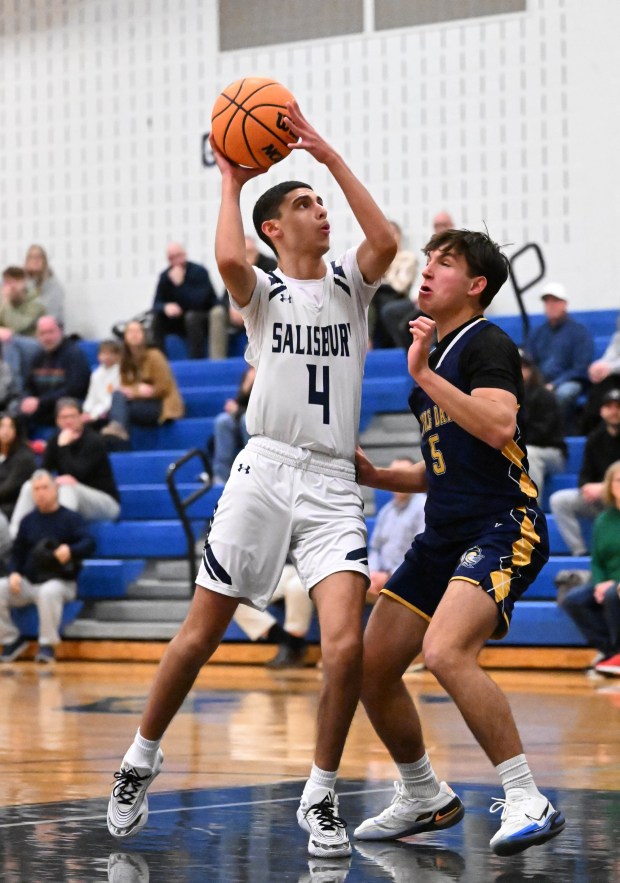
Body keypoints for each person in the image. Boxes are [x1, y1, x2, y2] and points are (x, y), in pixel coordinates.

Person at [106, 100, 398, 858]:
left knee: (344, 648)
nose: (320, 211)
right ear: (275, 226)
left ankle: (321, 792)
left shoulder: (349, 288)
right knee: (201, 631)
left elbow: (389, 240)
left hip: (333, 482)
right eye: (305, 203)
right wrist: (232, 179)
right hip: (264, 471)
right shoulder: (263, 291)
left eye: (321, 202)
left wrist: (329, 157)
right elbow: (230, 262)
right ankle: (140, 757)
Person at [353, 227, 565, 857]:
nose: (426, 271)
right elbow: (445, 467)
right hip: (444, 530)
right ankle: (423, 794)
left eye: (444, 264)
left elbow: (499, 424)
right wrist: (382, 476)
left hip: (505, 522)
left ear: (475, 286)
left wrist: (420, 371)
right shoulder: (436, 360)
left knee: (446, 653)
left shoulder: (487, 343)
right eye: (428, 261)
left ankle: (527, 796)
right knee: (372, 668)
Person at [0, 469, 95, 664]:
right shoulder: (28, 521)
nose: (40, 493)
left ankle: (47, 646)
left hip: (61, 582)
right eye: (36, 489)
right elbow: (17, 553)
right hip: (29, 583)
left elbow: (89, 543)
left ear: (56, 489)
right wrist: (15, 573)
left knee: (48, 592)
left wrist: (71, 549)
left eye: (45, 487)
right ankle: (11, 639)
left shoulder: (71, 519)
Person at [10, 398, 121, 535]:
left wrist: (63, 447)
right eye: (64, 417)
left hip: (104, 502)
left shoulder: (94, 441)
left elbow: (77, 475)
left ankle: (56, 542)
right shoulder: (54, 440)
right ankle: (14, 538)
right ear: (57, 421)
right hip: (74, 498)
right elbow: (43, 471)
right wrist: (47, 481)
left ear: (81, 417)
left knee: (67, 489)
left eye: (72, 416)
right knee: (30, 485)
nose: (68, 421)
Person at [559, 460, 620, 676]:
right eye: (618, 481)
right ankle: (611, 651)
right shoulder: (603, 519)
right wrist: (599, 583)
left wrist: (613, 584)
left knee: (614, 594)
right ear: (609, 486)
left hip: (618, 583)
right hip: (607, 580)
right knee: (573, 600)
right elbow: (597, 560)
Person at [549, 389, 620, 556]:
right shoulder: (595, 438)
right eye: (609, 407)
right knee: (559, 500)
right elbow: (585, 473)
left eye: (618, 407)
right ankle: (580, 552)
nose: (614, 411)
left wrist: (605, 487)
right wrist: (586, 487)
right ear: (602, 411)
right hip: (600, 499)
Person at [101, 320, 185, 445]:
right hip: (139, 403)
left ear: (144, 335)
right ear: (125, 336)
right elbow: (125, 387)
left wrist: (137, 392)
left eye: (138, 331)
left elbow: (164, 387)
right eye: (130, 331)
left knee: (118, 409)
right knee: (117, 399)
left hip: (160, 404)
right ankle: (119, 436)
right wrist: (138, 391)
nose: (134, 334)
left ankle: (119, 433)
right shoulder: (125, 359)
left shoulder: (155, 355)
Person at [526, 283, 593, 429]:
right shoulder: (537, 333)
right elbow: (530, 363)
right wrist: (539, 383)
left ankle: (556, 433)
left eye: (555, 301)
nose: (551, 305)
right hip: (541, 382)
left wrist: (554, 384)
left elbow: (580, 368)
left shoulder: (579, 332)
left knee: (563, 394)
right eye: (547, 301)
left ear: (564, 304)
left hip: (569, 382)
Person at [151, 242, 227, 360]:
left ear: (184, 255)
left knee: (192, 317)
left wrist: (180, 285)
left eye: (178, 256)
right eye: (172, 258)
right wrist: (165, 307)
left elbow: (199, 302)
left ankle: (196, 360)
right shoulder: (165, 276)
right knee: (157, 319)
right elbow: (156, 303)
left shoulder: (199, 271)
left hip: (202, 316)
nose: (176, 261)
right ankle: (160, 360)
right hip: (179, 319)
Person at [232, 561, 314, 668]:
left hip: (312, 568)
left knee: (296, 587)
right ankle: (289, 643)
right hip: (280, 567)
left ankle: (294, 645)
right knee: (236, 595)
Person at [367, 459, 426, 602]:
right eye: (394, 475)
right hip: (381, 578)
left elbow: (422, 552)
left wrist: (389, 576)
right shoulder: (386, 511)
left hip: (412, 578)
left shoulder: (424, 507)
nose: (397, 480)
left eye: (402, 474)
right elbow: (375, 548)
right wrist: (373, 573)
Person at [17, 316, 91, 427]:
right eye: (42, 333)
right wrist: (26, 400)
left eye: (51, 332)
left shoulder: (73, 354)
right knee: (13, 420)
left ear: (61, 331)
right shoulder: (38, 357)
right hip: (42, 408)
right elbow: (28, 386)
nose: (47, 337)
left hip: (64, 408)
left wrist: (40, 402)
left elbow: (74, 389)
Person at [519, 350, 567, 502]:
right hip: (520, 449)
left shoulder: (544, 395)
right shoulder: (506, 396)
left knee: (530, 453)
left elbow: (543, 433)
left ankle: (532, 509)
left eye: (523, 367)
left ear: (531, 370)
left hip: (551, 452)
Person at [369, 221, 418, 349]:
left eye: (393, 233)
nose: (389, 237)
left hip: (398, 300)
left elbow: (399, 286)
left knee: (383, 301)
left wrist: (385, 263)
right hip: (378, 302)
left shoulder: (407, 258)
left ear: (399, 236)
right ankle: (367, 340)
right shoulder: (376, 260)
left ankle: (398, 345)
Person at [223, 236, 278, 348]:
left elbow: (273, 292)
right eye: (244, 252)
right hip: (238, 313)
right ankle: (217, 357)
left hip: (260, 310)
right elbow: (226, 294)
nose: (247, 255)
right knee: (218, 313)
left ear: (256, 251)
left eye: (250, 251)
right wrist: (231, 308)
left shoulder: (270, 265)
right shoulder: (235, 267)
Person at [0, 266, 45, 392]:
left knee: (11, 341)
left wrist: (7, 302)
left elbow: (18, 326)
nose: (10, 288)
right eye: (7, 283)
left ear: (23, 282)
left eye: (14, 283)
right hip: (11, 345)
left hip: (36, 344)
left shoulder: (36, 302)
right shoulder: (4, 301)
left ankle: (13, 391)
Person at [0, 414, 37, 557]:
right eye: (2, 426)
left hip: (16, 509)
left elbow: (8, 489)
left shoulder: (24, 457)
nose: (5, 431)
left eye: (10, 426)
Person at [211, 365, 255, 483]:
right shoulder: (249, 374)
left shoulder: (269, 374)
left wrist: (238, 411)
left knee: (246, 419)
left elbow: (264, 407)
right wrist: (246, 387)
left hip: (260, 420)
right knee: (222, 421)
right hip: (243, 416)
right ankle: (221, 476)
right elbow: (241, 401)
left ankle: (252, 470)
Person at [580, 313, 620, 435]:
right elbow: (609, 356)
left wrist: (609, 368)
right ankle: (591, 431)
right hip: (615, 377)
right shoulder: (618, 337)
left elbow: (610, 366)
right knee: (600, 385)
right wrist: (597, 366)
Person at [82, 339, 122, 429]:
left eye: (111, 354)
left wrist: (94, 415)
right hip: (96, 410)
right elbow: (91, 396)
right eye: (103, 353)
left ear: (118, 356)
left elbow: (111, 399)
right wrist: (86, 411)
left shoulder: (120, 373)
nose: (107, 357)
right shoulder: (96, 374)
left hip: (109, 411)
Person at [24, 244, 66, 325]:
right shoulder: (21, 281)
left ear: (44, 261)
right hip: (23, 329)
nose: (35, 260)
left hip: (46, 328)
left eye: (39, 257)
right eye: (31, 257)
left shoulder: (53, 285)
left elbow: (50, 314)